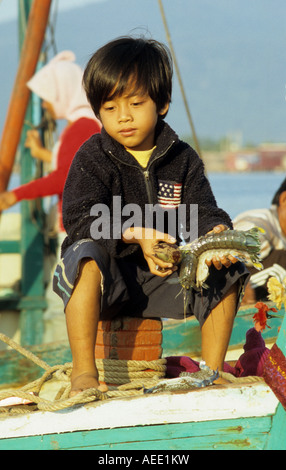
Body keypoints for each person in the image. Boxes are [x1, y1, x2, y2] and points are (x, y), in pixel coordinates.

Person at [53, 37, 249, 396]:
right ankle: (83, 373)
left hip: (161, 281)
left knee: (229, 267)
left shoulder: (182, 158)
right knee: (84, 255)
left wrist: (216, 233)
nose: (123, 116)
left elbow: (201, 212)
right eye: (110, 107)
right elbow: (78, 218)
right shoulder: (92, 157)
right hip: (107, 284)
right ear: (98, 111)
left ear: (163, 104)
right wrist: (134, 234)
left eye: (135, 103)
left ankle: (210, 371)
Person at [0, 51, 101, 341]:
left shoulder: (81, 127)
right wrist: (42, 152)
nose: (44, 104)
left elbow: (64, 177)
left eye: (47, 97)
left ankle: (67, 368)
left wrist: (13, 196)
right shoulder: (85, 125)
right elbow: (71, 165)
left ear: (62, 92)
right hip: (83, 229)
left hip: (76, 233)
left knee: (62, 305)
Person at [233, 174, 286, 304]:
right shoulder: (262, 220)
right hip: (237, 293)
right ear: (285, 199)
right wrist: (240, 282)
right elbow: (238, 240)